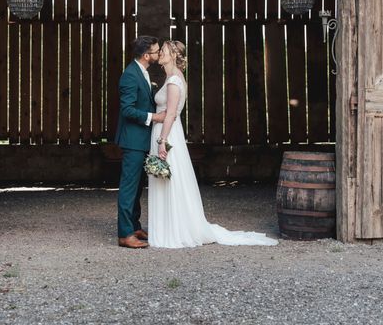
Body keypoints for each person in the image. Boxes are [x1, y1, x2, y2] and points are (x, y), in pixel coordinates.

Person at [148, 40, 278, 248]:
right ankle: (170, 226)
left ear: (173, 55)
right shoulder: (172, 78)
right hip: (167, 131)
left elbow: (171, 114)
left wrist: (162, 141)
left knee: (169, 180)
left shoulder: (174, 81)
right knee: (167, 180)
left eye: (163, 51)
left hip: (168, 134)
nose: (159, 54)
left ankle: (174, 229)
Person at [114, 36, 166, 249]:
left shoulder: (142, 72)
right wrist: (153, 117)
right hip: (133, 140)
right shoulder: (129, 76)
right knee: (128, 187)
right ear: (146, 56)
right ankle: (125, 234)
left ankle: (134, 225)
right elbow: (127, 109)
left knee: (137, 187)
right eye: (155, 51)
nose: (158, 54)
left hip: (142, 140)